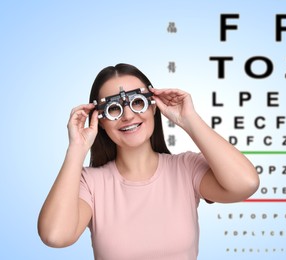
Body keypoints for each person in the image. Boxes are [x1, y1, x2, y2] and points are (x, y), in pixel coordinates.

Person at [38, 63, 259, 260]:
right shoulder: (90, 183)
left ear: (153, 107)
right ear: (101, 121)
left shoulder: (187, 169)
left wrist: (189, 120)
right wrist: (76, 148)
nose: (127, 116)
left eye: (137, 102)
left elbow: (245, 184)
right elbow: (55, 236)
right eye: (114, 108)